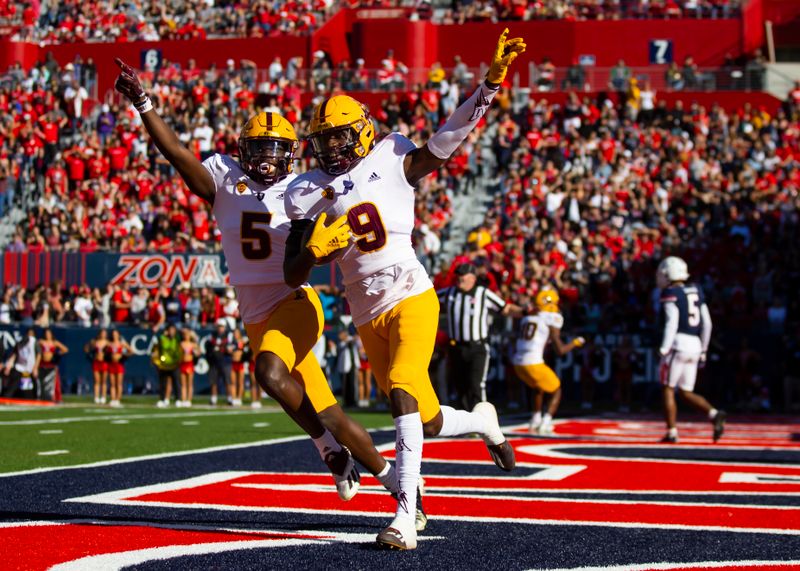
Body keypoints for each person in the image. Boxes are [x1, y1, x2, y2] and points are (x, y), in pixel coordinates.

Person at [114, 59, 420, 517]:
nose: (267, 157)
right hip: (255, 312)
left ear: (292, 152)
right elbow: (177, 153)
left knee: (270, 374)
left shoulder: (305, 190)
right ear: (242, 149)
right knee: (329, 411)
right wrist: (143, 103)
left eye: (276, 148)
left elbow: (336, 236)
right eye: (259, 147)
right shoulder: (223, 179)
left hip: (294, 301)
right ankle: (400, 486)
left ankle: (329, 452)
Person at [283, 29, 525, 550]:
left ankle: (405, 512)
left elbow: (446, 138)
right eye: (323, 140)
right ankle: (483, 423)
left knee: (400, 390)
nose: (330, 148)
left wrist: (488, 85)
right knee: (429, 418)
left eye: (338, 137)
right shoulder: (307, 191)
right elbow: (292, 275)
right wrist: (312, 252)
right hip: (366, 312)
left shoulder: (393, 158)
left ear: (363, 133)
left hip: (411, 293)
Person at [656, 256, 726, 443]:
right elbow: (708, 324)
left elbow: (672, 323)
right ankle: (714, 413)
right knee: (686, 391)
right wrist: (703, 349)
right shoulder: (696, 291)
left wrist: (664, 347)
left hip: (677, 344)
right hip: (695, 345)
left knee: (668, 388)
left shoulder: (671, 293)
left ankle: (672, 432)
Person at [438, 263, 522, 411]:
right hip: (456, 346)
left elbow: (505, 308)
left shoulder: (483, 293)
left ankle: (481, 420)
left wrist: (526, 312)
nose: (459, 279)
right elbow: (429, 298)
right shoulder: (449, 292)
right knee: (460, 385)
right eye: (457, 276)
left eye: (462, 276)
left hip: (477, 346)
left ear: (472, 278)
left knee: (476, 384)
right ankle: (465, 422)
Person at [511, 290, 584, 435]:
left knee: (539, 388)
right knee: (556, 390)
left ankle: (535, 419)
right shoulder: (551, 318)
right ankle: (546, 422)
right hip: (533, 362)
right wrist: (576, 342)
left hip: (518, 362)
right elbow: (560, 350)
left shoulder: (528, 317)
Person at [3, 329, 39, 399]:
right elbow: (14, 354)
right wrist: (9, 366)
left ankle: (37, 398)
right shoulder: (19, 343)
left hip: (31, 366)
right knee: (13, 381)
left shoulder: (33, 341)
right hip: (20, 366)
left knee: (35, 384)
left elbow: (39, 354)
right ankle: (7, 397)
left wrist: (35, 368)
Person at [152, 323, 181, 408]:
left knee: (176, 382)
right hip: (164, 364)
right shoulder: (162, 338)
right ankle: (162, 399)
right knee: (163, 383)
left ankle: (178, 399)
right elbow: (157, 347)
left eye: (173, 330)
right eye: (170, 330)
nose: (172, 332)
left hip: (174, 364)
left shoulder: (177, 339)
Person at [205, 321, 232, 405]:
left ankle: (229, 398)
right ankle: (213, 399)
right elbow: (207, 347)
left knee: (227, 381)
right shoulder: (212, 335)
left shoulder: (229, 336)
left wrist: (229, 350)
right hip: (214, 361)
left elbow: (233, 346)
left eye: (222, 326)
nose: (220, 328)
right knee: (213, 381)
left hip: (225, 361)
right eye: (219, 326)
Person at [38, 328, 67, 403]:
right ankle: (43, 397)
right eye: (46, 334)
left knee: (56, 382)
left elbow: (65, 349)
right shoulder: (41, 341)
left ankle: (58, 398)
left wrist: (57, 354)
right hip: (43, 364)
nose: (47, 335)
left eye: (49, 333)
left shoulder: (54, 342)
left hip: (51, 364)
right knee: (43, 381)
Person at [107, 329, 132, 408]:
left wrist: (123, 356)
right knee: (112, 383)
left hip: (119, 365)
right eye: (113, 334)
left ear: (118, 335)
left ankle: (118, 399)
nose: (114, 335)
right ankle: (113, 399)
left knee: (119, 383)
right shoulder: (109, 344)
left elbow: (131, 351)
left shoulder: (122, 343)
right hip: (111, 364)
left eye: (116, 334)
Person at [85, 330, 109, 404]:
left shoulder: (108, 342)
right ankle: (96, 396)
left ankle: (103, 396)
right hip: (96, 362)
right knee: (97, 381)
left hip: (104, 362)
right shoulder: (95, 342)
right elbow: (86, 348)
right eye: (102, 333)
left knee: (104, 381)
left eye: (104, 334)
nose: (103, 335)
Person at [178, 328, 200, 407]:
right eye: (184, 335)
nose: (186, 336)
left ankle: (189, 399)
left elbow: (198, 352)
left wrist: (195, 351)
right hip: (183, 364)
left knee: (189, 383)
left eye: (187, 335)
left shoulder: (193, 344)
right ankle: (183, 399)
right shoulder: (181, 344)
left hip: (189, 364)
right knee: (183, 384)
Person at [230, 328, 248, 407]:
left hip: (240, 363)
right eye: (234, 333)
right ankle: (234, 399)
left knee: (240, 382)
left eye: (237, 333)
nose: (235, 334)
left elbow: (246, 349)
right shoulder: (231, 342)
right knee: (233, 382)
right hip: (233, 363)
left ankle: (239, 398)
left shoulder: (243, 341)